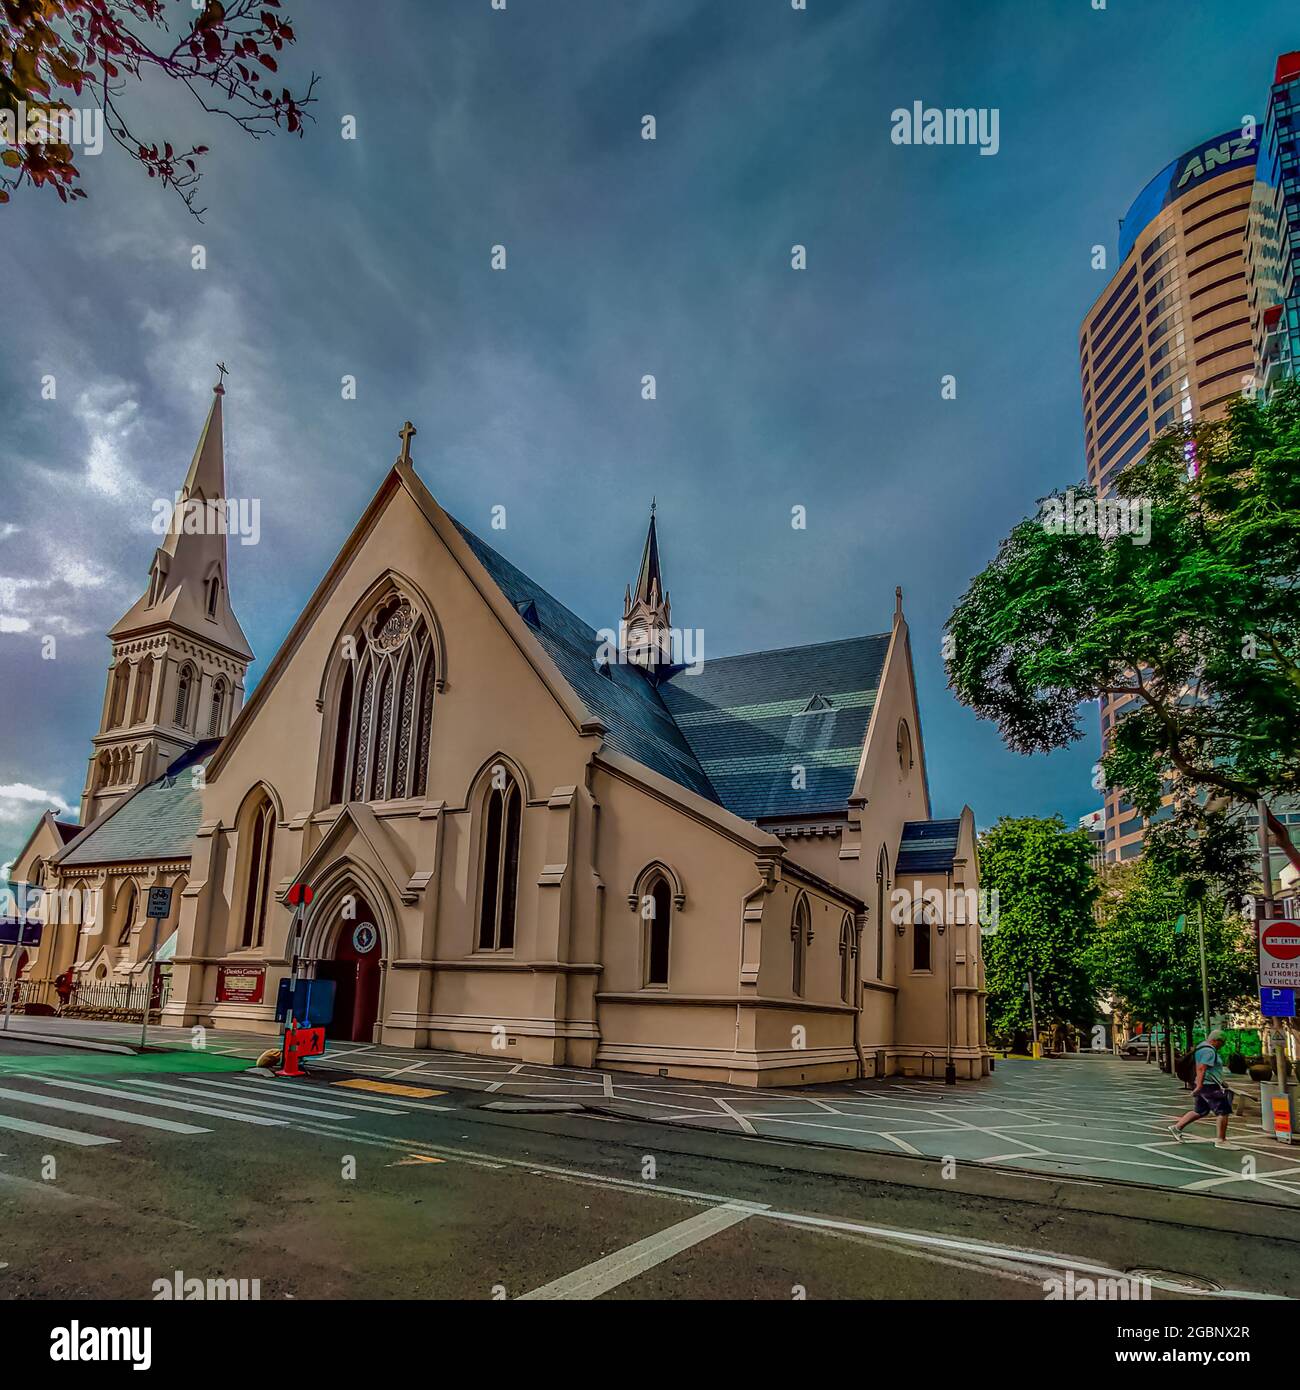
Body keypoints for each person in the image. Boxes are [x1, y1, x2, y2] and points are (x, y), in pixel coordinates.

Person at [1168, 1029, 1234, 1148]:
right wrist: (1199, 1085)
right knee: (1223, 1111)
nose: (1222, 1045)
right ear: (1216, 1041)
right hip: (1208, 1086)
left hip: (1206, 1084)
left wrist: (1221, 1082)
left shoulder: (1202, 1047)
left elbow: (1209, 1070)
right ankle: (1221, 1140)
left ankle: (1177, 1128)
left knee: (1200, 1111)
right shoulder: (1209, 1051)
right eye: (1222, 1043)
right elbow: (1201, 1068)